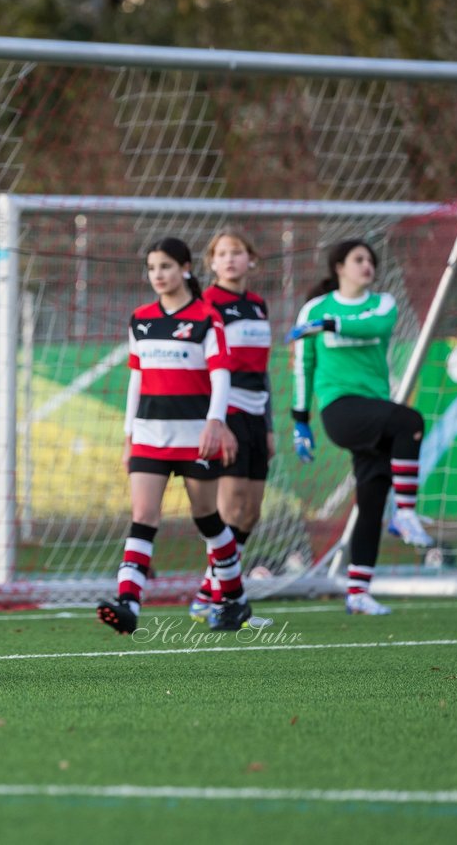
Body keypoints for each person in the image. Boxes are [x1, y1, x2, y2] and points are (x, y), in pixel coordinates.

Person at [97, 237, 256, 634]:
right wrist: (129, 434)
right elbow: (137, 379)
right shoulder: (142, 319)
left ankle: (234, 598)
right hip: (151, 436)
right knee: (143, 517)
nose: (158, 275)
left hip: (195, 437)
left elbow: (222, 377)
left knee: (207, 520)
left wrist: (215, 423)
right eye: (152, 269)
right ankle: (128, 602)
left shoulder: (207, 317)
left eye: (166, 267)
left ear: (186, 268)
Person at [286, 238, 435, 616]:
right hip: (340, 409)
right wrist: (300, 422)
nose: (366, 265)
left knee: (370, 500)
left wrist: (330, 325)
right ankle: (405, 512)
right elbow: (303, 365)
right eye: (358, 259)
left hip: (375, 410)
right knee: (411, 421)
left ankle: (357, 591)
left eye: (370, 260)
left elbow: (376, 325)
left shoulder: (380, 303)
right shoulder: (315, 309)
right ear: (339, 266)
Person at [188, 231, 274, 625]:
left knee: (250, 512)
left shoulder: (258, 305)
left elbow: (263, 371)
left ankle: (209, 593)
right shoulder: (207, 304)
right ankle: (220, 599)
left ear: (251, 259)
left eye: (237, 252)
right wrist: (215, 419)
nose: (230, 259)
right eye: (221, 254)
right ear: (211, 263)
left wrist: (269, 425)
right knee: (230, 503)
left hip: (257, 413)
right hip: (229, 409)